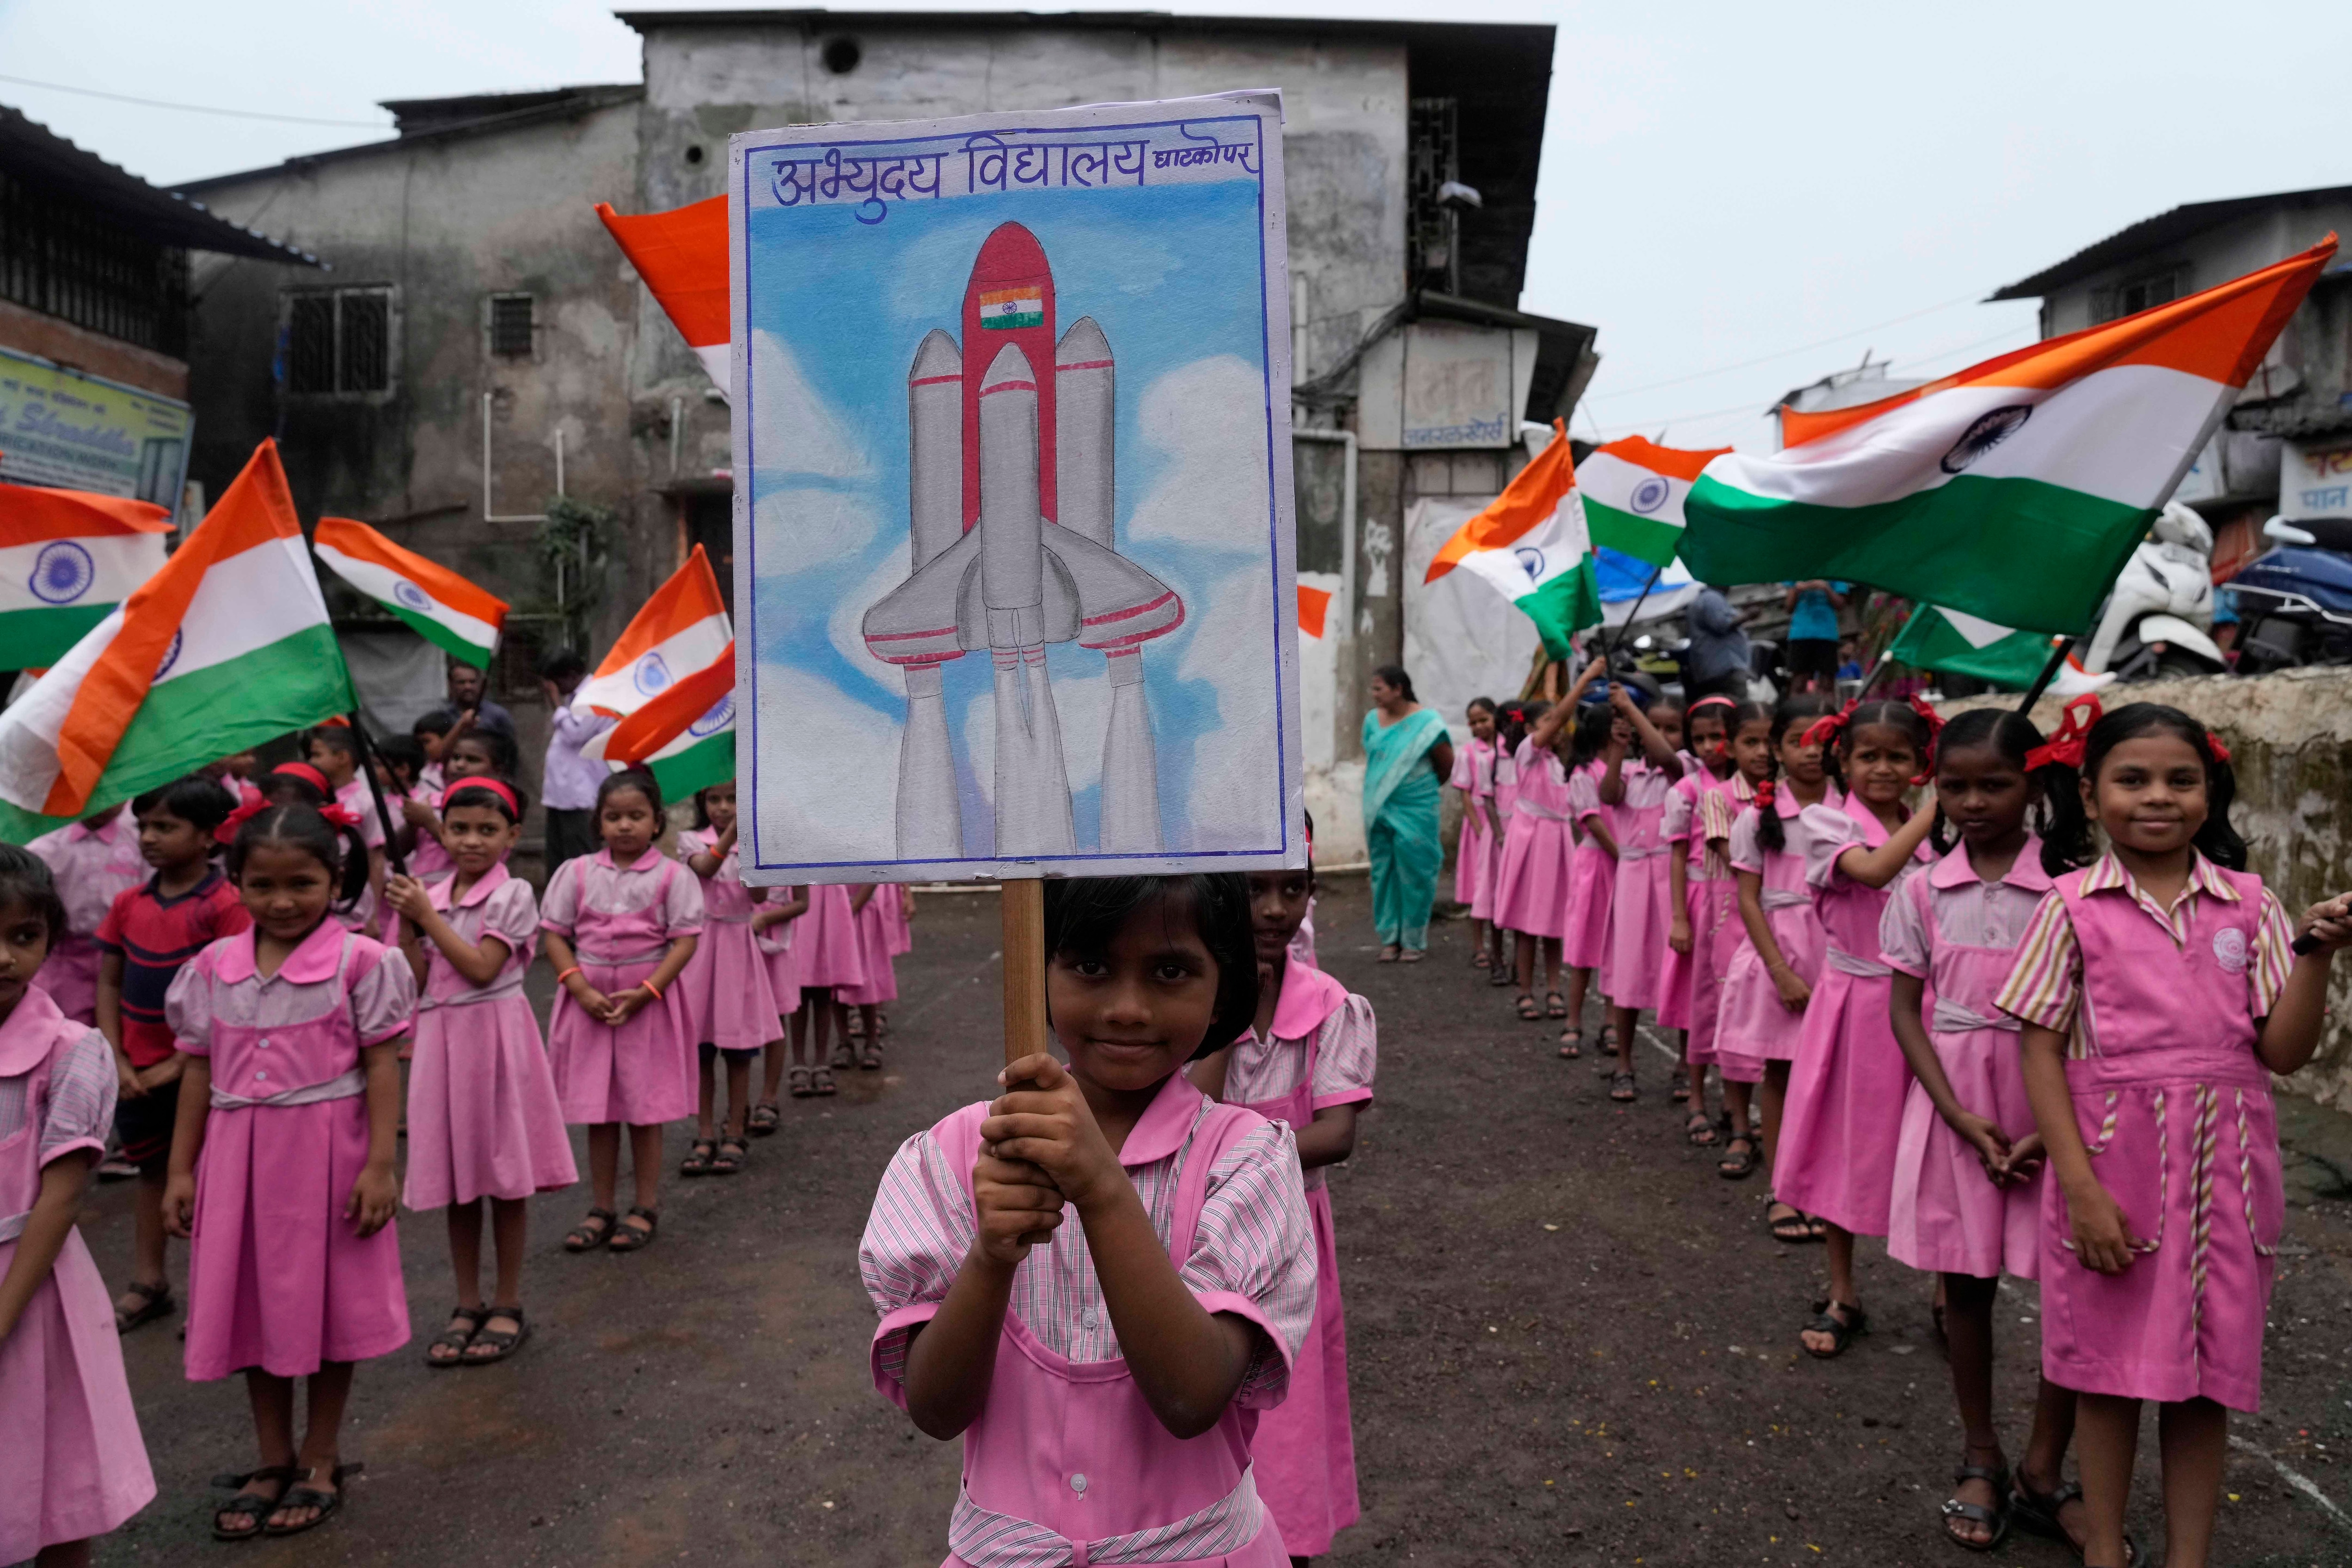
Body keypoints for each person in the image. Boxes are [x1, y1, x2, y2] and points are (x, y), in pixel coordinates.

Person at [858, 874, 1315, 1566]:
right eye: (1091, 966)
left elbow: (1193, 1398)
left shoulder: (1248, 1160)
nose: (1128, 1008)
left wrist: (1101, 1188)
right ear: (1037, 970)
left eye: (1170, 970)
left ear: (1223, 983)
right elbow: (937, 1410)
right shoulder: (953, 1157)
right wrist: (989, 1256)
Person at [1998, 700, 2348, 1568]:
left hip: (2226, 1180)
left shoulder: (2254, 905)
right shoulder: (2071, 906)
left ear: (2209, 789)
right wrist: (2078, 1187)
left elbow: (2284, 1053)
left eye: (2181, 779)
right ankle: (2106, 1551)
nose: (2158, 797)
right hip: (2112, 1179)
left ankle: (2190, 1558)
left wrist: (2316, 954)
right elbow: (2038, 1047)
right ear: (2090, 790)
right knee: (2106, 1379)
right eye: (2133, 778)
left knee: (2206, 1383)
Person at [161, 803, 415, 1540]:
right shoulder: (213, 967)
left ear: (334, 880)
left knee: (330, 1305)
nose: (281, 901)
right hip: (237, 1160)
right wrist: (182, 1171)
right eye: (263, 884)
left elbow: (380, 1062)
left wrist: (381, 1165)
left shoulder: (362, 960)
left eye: (301, 883)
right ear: (234, 881)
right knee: (251, 1308)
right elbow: (198, 1073)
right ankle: (271, 1456)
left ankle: (321, 1454)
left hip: (329, 1157)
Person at [1879, 708, 2087, 1553]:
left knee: (2071, 1293)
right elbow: (1904, 1010)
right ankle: (1982, 1452)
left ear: (2034, 784)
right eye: (1955, 784)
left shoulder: (2075, 884)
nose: (1972, 800)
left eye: (1994, 783)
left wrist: (2051, 1126)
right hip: (1955, 1103)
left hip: (2059, 1112)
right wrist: (1957, 1113)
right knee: (1964, 1285)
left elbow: (2093, 1011)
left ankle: (2045, 1465)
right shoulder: (1923, 886)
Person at [1192, 856, 1375, 1561]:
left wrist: (1232, 1157)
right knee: (1207, 1393)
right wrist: (1234, 1007)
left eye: (1292, 890)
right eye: (1255, 891)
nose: (1274, 909)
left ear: (1310, 897)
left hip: (1291, 1237)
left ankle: (1289, 1545)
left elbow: (1336, 1135)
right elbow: (1191, 1111)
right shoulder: (1206, 1000)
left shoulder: (1329, 1005)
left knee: (1289, 1417)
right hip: (1204, 1237)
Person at [0, 845, 158, 1566]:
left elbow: (59, 1201)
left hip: (32, 1290)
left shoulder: (71, 1051)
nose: (4, 957)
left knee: (56, 1480)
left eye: (23, 937)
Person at [385, 778, 575, 1368]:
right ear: (440, 832)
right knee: (456, 1182)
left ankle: (508, 1300)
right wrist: (411, 924)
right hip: (440, 1044)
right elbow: (410, 981)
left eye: (487, 830)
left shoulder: (513, 894)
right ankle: (466, 1301)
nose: (471, 841)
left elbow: (482, 969)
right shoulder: (425, 894)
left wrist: (425, 916)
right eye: (459, 828)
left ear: (512, 837)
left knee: (504, 1175)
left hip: (494, 1042)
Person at [1774, 699, 1940, 1358]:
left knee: (1934, 1150)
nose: (1883, 768)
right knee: (1847, 1150)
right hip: (1857, 1008)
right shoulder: (1825, 821)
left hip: (1930, 1011)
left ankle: (1947, 1293)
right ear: (1842, 759)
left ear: (1919, 764)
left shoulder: (1940, 830)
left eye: (1899, 756)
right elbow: (1873, 869)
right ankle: (1844, 1291)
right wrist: (1940, 806)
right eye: (1868, 755)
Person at [94, 775, 246, 1335]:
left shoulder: (227, 906)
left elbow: (232, 999)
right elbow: (109, 981)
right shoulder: (129, 903)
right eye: (144, 827)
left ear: (210, 837)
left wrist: (179, 1066)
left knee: (211, 1178)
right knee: (152, 1172)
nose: (150, 838)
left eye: (166, 826)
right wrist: (117, 1057)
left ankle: (217, 1292)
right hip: (137, 1071)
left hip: (200, 1071)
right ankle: (149, 1280)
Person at [543, 770, 702, 1256]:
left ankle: (645, 1204)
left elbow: (684, 940)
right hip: (588, 1003)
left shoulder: (673, 876)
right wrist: (577, 987)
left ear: (656, 821)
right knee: (600, 1112)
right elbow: (554, 933)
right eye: (614, 817)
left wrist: (647, 991)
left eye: (636, 816)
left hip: (645, 1006)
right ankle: (602, 1205)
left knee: (643, 1110)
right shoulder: (574, 873)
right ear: (598, 822)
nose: (625, 826)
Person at [1714, 695, 1837, 1242]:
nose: (1811, 753)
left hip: (1839, 954)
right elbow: (1748, 899)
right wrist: (1779, 971)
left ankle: (1827, 1191)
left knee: (1835, 1079)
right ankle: (1784, 1190)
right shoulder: (1756, 818)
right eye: (1797, 742)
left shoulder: (1851, 812)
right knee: (1782, 1074)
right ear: (1777, 750)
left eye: (1823, 740)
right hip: (1782, 954)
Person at [674, 780, 779, 1178]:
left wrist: (757, 850)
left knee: (738, 1047)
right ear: (702, 802)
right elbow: (706, 868)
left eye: (732, 799)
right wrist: (736, 830)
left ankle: (735, 1127)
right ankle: (703, 1131)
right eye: (714, 799)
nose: (722, 807)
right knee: (701, 1048)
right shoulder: (689, 840)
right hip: (700, 949)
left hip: (738, 947)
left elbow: (758, 899)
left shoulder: (752, 842)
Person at [1597, 687, 1686, 1104]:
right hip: (1633, 877)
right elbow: (1608, 795)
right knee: (1629, 973)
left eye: (1674, 729)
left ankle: (1687, 1062)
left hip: (1672, 877)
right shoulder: (1630, 772)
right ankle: (1625, 1062)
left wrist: (1633, 710)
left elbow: (1668, 757)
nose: (1665, 736)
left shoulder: (1685, 771)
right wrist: (1618, 747)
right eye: (1658, 727)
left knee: (1681, 971)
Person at [1694, 701, 1772, 1178]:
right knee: (1738, 1016)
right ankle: (1741, 1124)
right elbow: (1742, 860)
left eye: (1770, 741)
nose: (1761, 752)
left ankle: (1778, 1120)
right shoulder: (1719, 797)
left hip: (1784, 916)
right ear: (1732, 745)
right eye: (1750, 742)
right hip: (1733, 913)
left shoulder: (1792, 798)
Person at [1660, 695, 1742, 1145]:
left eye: (1719, 736)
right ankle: (1695, 1096)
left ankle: (1735, 1103)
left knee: (1737, 1004)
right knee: (1698, 1004)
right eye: (1700, 739)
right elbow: (1676, 856)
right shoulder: (1688, 789)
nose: (1711, 746)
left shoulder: (1758, 788)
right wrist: (1679, 917)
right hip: (1700, 901)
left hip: (1743, 902)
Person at [1360, 665, 1453, 962]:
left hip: (1417, 806)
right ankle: (1390, 940)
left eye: (1379, 688)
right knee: (1383, 872)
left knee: (1416, 870)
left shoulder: (1427, 723)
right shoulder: (1372, 721)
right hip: (1379, 806)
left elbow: (1445, 763)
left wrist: (1416, 789)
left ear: (1398, 689)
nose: (1374, 694)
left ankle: (1413, 940)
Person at [1490, 697, 1573, 1025]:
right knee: (1528, 926)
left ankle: (1554, 987)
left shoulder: (1558, 762)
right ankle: (1525, 990)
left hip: (1557, 844)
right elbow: (1558, 722)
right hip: (1533, 844)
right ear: (1528, 729)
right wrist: (1583, 681)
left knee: (1554, 926)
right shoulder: (1527, 754)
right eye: (1548, 720)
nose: (1557, 726)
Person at [27, 805, 143, 1025]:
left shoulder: (137, 841)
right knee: (58, 1022)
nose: (107, 804)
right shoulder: (47, 844)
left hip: (121, 955)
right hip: (62, 955)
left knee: (114, 1025)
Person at [1557, 697, 1620, 1054]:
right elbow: (1592, 821)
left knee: (1615, 945)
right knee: (1583, 947)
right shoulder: (1584, 774)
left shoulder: (1622, 770)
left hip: (1619, 864)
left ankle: (1611, 1020)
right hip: (1598, 864)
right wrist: (1623, 856)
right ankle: (1574, 1019)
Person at [783, 883, 865, 1098]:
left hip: (829, 899)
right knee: (799, 986)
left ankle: (821, 1063)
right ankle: (799, 1063)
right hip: (799, 893)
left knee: (823, 988)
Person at [306, 726, 389, 934]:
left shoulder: (367, 801)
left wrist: (373, 914)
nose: (311, 763)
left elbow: (376, 858)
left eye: (317, 755)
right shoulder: (315, 798)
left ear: (342, 757)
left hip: (355, 902)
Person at [539, 649, 613, 876]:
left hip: (581, 794)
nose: (552, 688)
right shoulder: (576, 697)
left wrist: (555, 703)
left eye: (555, 682)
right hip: (563, 794)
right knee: (559, 859)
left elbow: (576, 733)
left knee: (581, 861)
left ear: (571, 675)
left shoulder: (596, 695)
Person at [1450, 698, 1503, 972]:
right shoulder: (1467, 753)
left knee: (1501, 886)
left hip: (1503, 824)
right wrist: (1482, 832)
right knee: (1479, 887)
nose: (1480, 726)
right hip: (1479, 827)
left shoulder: (1507, 751)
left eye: (1485, 719)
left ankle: (1501, 948)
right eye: (1474, 722)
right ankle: (1479, 946)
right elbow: (1467, 797)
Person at [836, 884, 898, 1073]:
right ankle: (844, 1040)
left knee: (865, 976)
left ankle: (872, 1039)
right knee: (834, 978)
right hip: (833, 910)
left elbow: (873, 874)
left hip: (859, 909)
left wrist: (851, 910)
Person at [1683, 583, 1753, 703]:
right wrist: (1748, 615)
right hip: (1725, 667)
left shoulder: (1705, 598)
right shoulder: (1712, 598)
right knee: (1737, 708)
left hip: (1712, 668)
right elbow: (1721, 624)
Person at [1781, 580, 1851, 693]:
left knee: (1827, 683)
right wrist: (1797, 589)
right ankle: (1797, 710)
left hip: (1827, 634)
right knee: (1799, 681)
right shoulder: (1796, 572)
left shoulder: (1834, 571)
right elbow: (1788, 607)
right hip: (1801, 634)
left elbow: (1841, 605)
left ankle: (1828, 710)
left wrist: (1826, 588)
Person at [445, 661, 516, 738]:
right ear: (451, 684)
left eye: (472, 682)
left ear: (480, 683)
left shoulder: (498, 716)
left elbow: (510, 748)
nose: (468, 687)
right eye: (461, 682)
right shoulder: (443, 716)